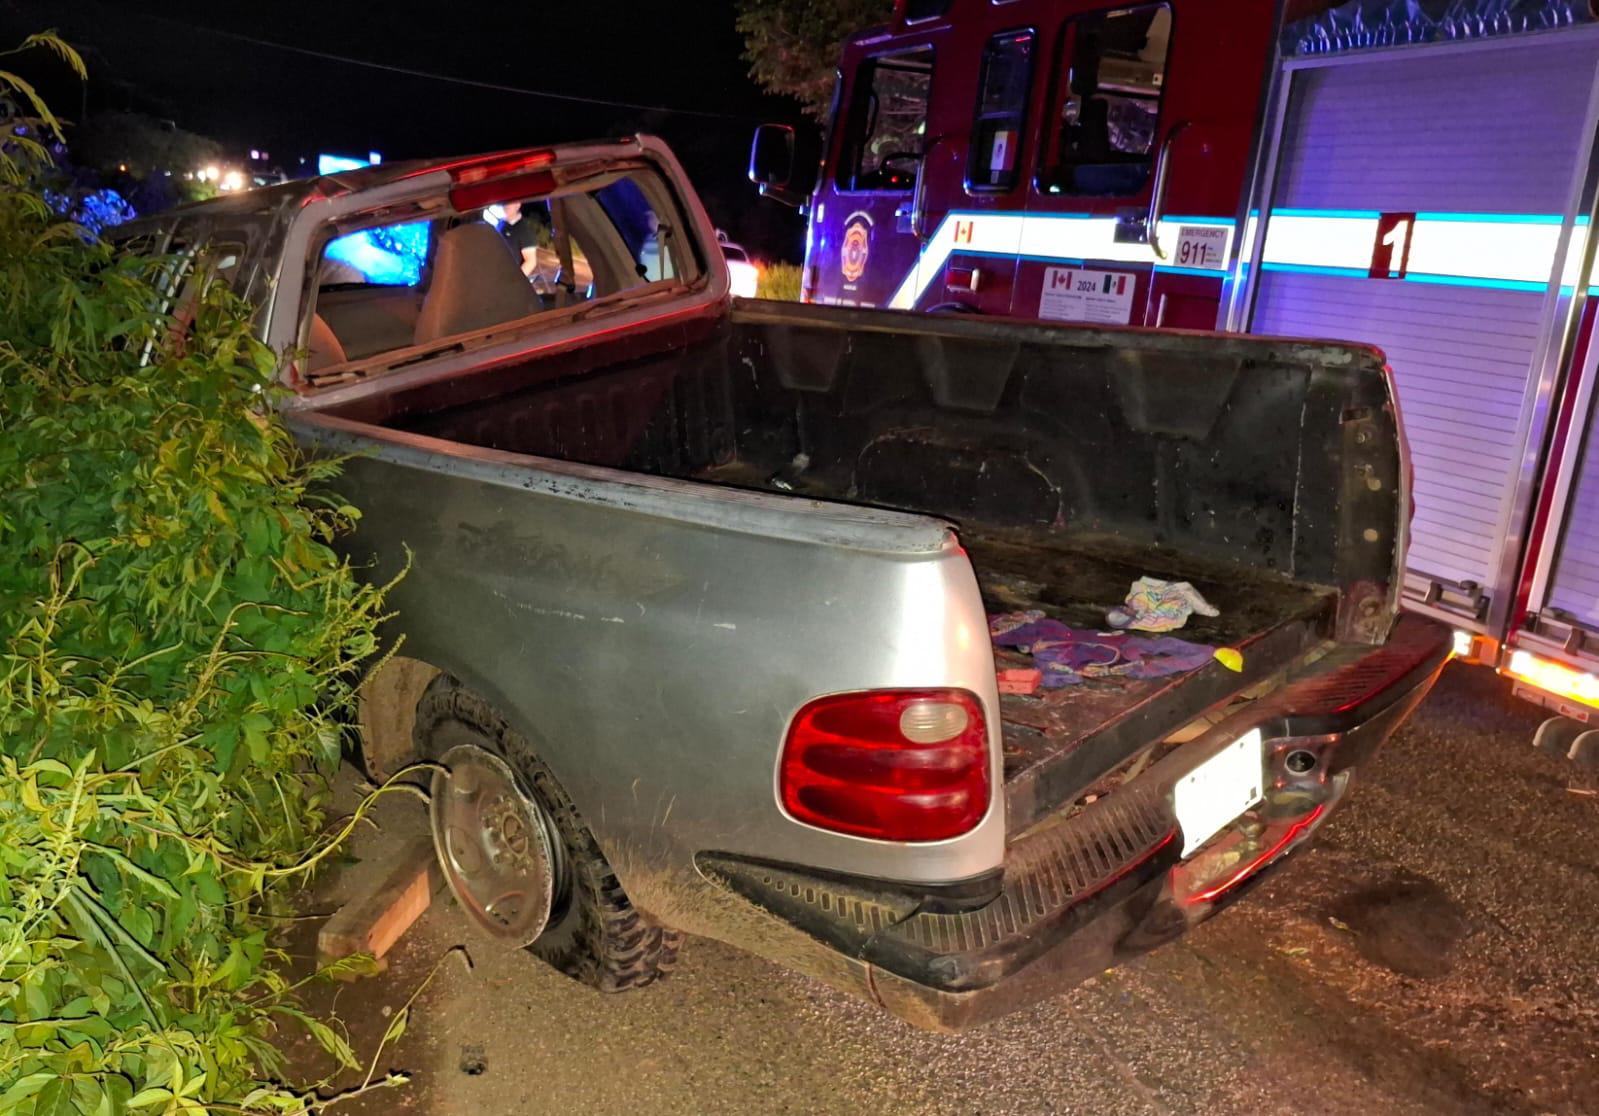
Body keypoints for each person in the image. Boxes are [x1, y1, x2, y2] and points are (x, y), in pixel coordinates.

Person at [497, 200, 549, 277]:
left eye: (508, 205)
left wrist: (515, 280)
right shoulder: (501, 223)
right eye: (504, 204)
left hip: (506, 277)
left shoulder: (525, 231)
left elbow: (530, 261)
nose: (505, 207)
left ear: (518, 205)